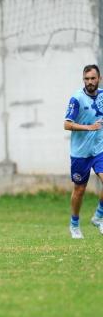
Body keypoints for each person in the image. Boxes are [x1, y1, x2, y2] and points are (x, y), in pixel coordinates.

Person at [64, 64, 103, 239]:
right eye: (86, 79)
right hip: (80, 153)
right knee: (80, 189)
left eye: (93, 78)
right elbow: (67, 124)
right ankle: (74, 224)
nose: (90, 82)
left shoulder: (102, 95)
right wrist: (89, 128)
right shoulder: (77, 99)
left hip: (99, 150)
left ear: (99, 79)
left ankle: (98, 216)